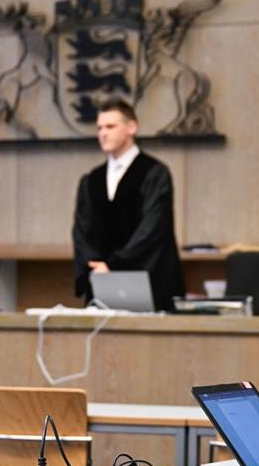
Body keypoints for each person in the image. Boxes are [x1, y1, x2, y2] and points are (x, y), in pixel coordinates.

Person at [72, 98, 184, 311]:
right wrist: (94, 266)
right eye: (99, 128)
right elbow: (82, 230)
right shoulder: (91, 180)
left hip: (149, 282)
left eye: (110, 126)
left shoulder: (155, 173)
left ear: (131, 127)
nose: (103, 133)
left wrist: (115, 265)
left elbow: (152, 229)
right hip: (101, 282)